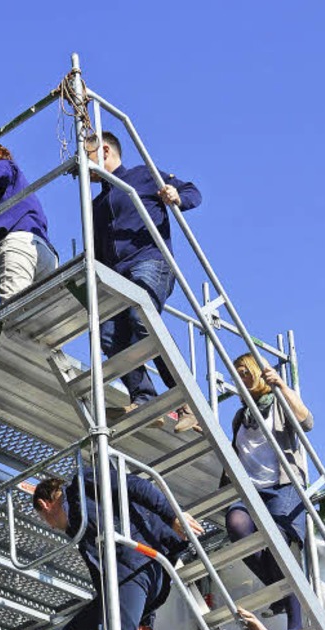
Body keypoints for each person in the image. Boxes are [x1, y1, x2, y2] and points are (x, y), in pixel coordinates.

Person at [33, 467, 203, 630]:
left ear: (45, 505)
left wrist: (173, 517)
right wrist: (144, 617)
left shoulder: (82, 484)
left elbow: (135, 486)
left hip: (139, 564)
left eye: (45, 519)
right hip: (128, 581)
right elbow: (100, 578)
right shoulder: (81, 529)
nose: (50, 526)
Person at [86, 130, 202, 433]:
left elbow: (191, 191)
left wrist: (177, 196)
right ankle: (144, 398)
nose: (83, 168)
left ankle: (187, 403)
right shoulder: (98, 206)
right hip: (117, 274)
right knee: (109, 335)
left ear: (105, 151)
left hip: (150, 262)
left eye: (87, 156)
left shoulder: (141, 176)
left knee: (142, 317)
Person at [223, 352, 313, 630]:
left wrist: (283, 388)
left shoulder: (277, 403)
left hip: (280, 486)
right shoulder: (241, 416)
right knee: (237, 527)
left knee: (278, 549)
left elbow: (307, 421)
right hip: (250, 490)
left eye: (246, 371)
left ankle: (296, 626)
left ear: (260, 374)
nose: (242, 377)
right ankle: (278, 594)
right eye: (238, 373)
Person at [0, 144, 58, 302]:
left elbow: (1, 171)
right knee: (45, 318)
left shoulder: (8, 168)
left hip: (19, 246)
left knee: (14, 314)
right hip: (45, 253)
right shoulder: (9, 195)